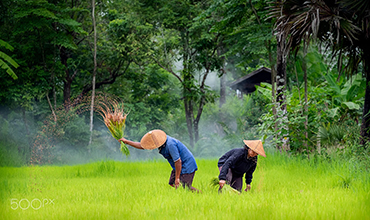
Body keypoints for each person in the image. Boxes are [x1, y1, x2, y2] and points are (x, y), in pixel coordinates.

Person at [118, 129, 199, 192]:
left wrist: (177, 178)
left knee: (185, 187)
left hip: (187, 164)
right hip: (177, 165)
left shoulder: (170, 144)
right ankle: (181, 196)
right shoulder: (160, 142)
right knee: (172, 183)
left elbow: (178, 161)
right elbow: (142, 146)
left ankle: (201, 194)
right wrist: (126, 142)